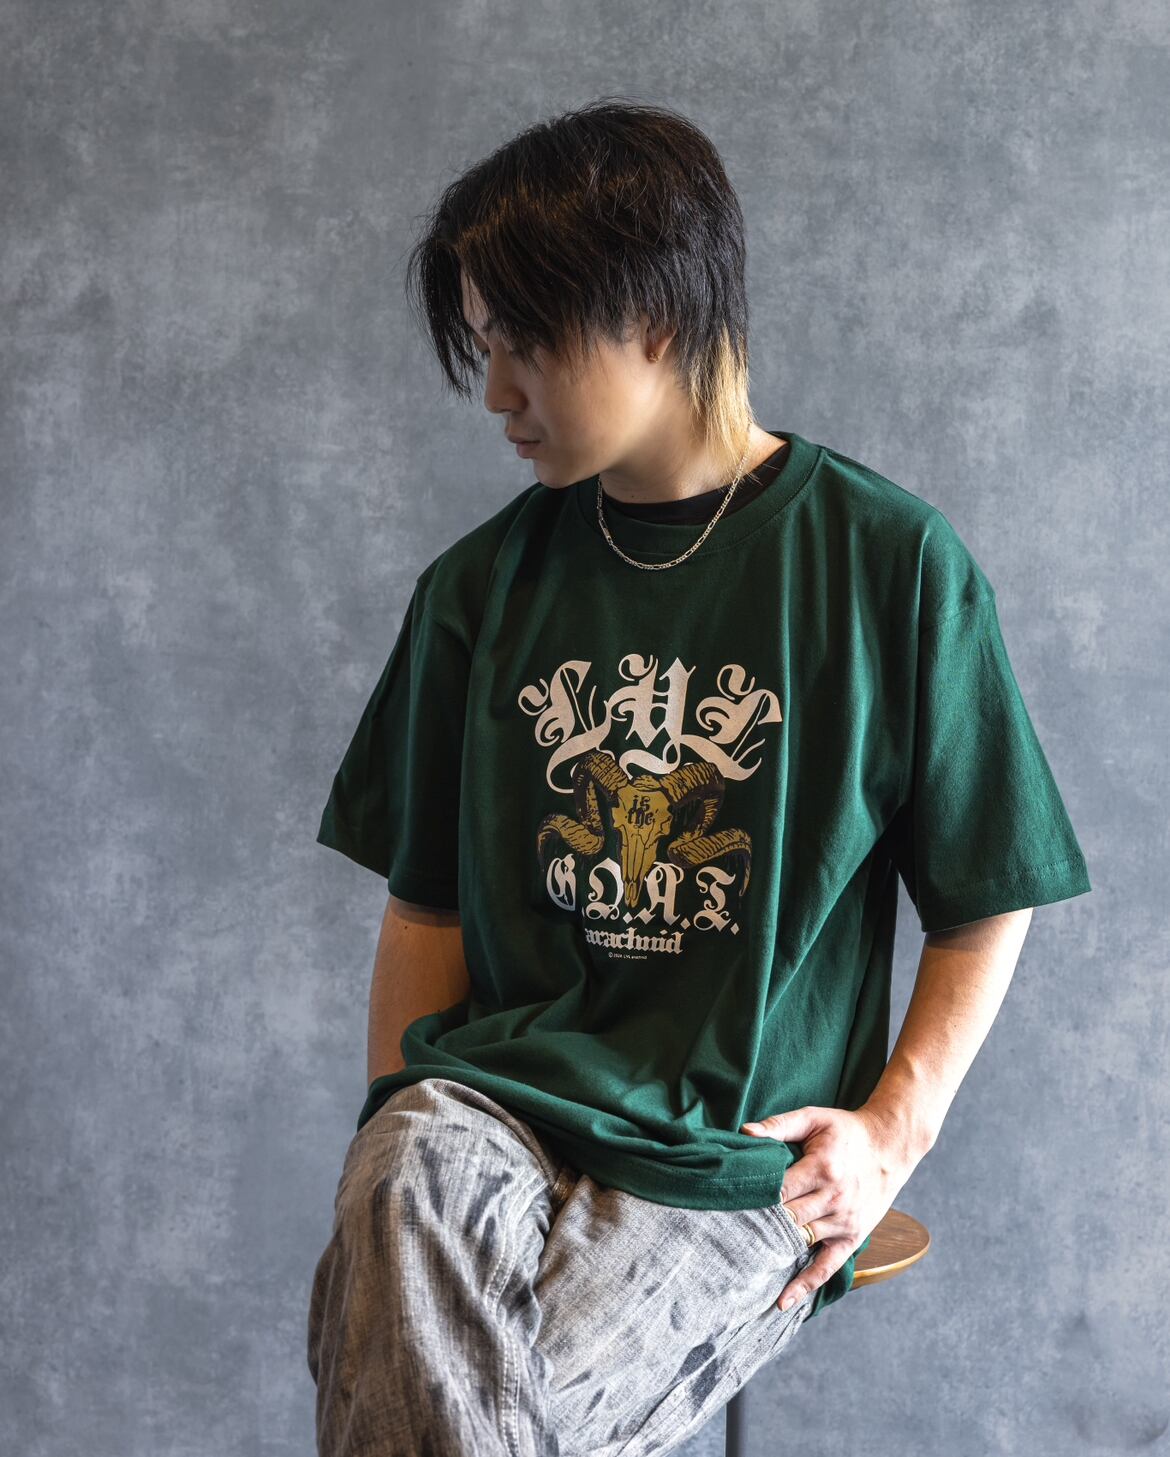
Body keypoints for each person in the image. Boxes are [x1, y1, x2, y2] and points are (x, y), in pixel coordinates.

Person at [306, 98, 1092, 1456]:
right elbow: (424, 910)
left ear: (656, 318)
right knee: (403, 1179)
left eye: (524, 343)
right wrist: (383, 1173)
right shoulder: (475, 592)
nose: (495, 394)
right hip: (486, 1109)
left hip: (734, 1154)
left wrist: (891, 1133)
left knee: (470, 1407)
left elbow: (986, 893)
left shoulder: (888, 565)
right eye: (485, 349)